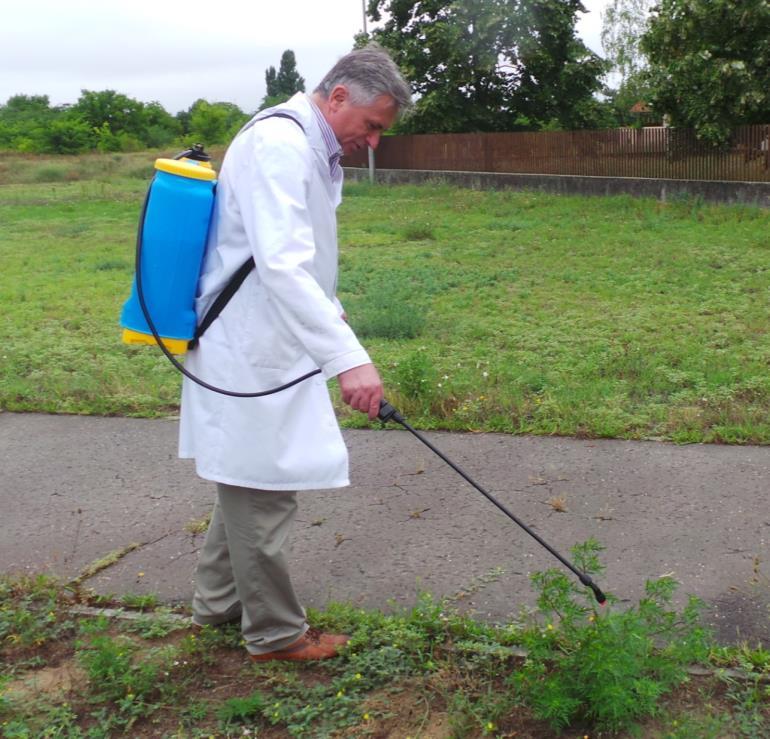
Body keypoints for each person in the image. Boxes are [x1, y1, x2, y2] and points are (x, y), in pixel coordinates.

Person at [178, 45, 411, 661]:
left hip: (268, 337)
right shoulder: (280, 145)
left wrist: (331, 316)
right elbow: (281, 264)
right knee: (263, 482)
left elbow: (294, 260)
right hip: (250, 345)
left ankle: (217, 603)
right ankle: (276, 634)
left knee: (246, 473)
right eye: (372, 126)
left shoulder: (306, 146)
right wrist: (350, 360)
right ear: (338, 97)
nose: (374, 141)